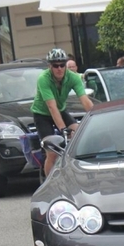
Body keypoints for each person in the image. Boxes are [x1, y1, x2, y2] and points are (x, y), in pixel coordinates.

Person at [31, 48, 94, 176]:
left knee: (78, 133)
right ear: (50, 66)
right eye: (55, 65)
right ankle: (49, 184)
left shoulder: (73, 77)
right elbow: (51, 107)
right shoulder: (43, 78)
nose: (59, 68)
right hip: (42, 114)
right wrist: (63, 129)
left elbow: (85, 101)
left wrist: (96, 118)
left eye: (62, 65)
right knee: (53, 152)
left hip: (60, 110)